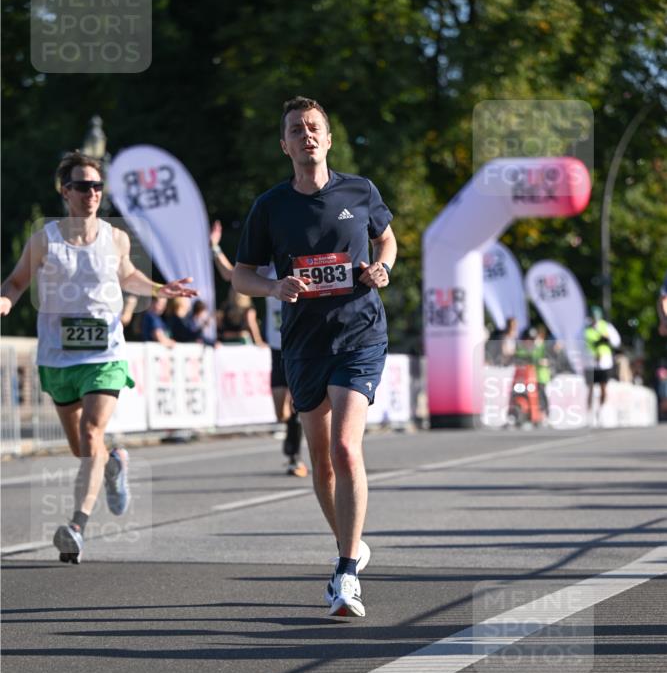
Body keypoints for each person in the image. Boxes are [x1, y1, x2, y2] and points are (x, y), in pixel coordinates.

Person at [233, 95, 397, 618]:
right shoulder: (270, 206)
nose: (306, 135)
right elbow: (241, 274)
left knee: (347, 450)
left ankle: (345, 572)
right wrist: (273, 287)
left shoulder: (360, 191)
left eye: (314, 127)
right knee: (321, 462)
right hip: (303, 344)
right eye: (296, 129)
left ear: (327, 139)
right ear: (284, 145)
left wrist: (381, 269)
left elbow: (387, 240)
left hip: (360, 333)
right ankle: (350, 542)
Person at [0, 149, 197, 563]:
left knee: (92, 434)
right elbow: (16, 282)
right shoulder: (45, 239)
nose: (91, 193)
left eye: (96, 186)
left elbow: (127, 276)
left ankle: (76, 526)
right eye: (82, 186)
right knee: (82, 447)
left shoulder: (116, 237)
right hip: (58, 356)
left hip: (105, 352)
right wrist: (5, 300)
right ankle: (114, 462)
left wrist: (161, 289)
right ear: (64, 191)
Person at [262, 263, 308, 477]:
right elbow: (233, 276)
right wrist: (215, 249)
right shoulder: (267, 271)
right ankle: (294, 440)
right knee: (281, 412)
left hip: (299, 347)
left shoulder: (300, 266)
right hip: (276, 348)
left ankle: (294, 456)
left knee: (296, 403)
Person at [584, 305, 621, 419]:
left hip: (604, 362)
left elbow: (616, 342)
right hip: (591, 362)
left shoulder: (606, 327)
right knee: (589, 388)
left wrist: (607, 337)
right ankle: (589, 412)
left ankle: (600, 409)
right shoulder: (585, 328)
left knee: (603, 387)